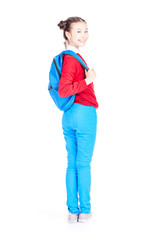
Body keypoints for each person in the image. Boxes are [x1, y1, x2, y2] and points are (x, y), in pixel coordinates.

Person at [57, 17, 99, 223]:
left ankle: (73, 211)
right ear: (68, 34)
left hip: (69, 116)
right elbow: (64, 90)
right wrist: (88, 80)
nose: (84, 35)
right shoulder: (72, 58)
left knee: (72, 164)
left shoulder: (70, 58)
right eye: (79, 31)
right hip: (84, 114)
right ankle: (85, 211)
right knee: (82, 164)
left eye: (86, 31)